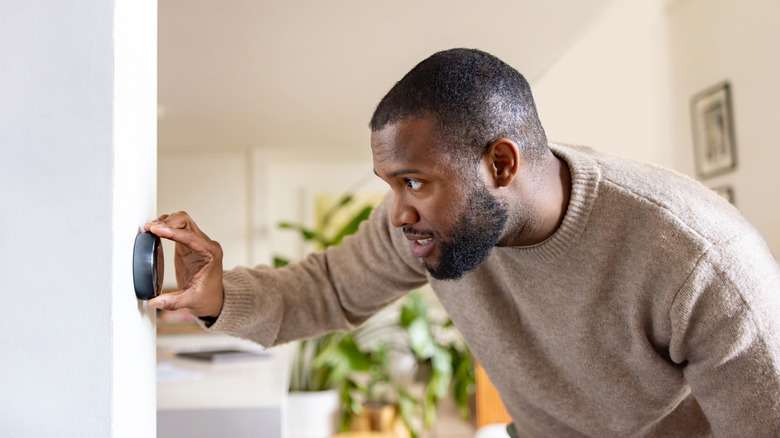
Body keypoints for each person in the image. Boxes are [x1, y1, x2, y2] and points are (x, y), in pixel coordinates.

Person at [145, 48, 780, 437]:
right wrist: (218, 292)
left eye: (414, 181)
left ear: (501, 164)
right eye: (391, 184)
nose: (398, 213)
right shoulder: (427, 227)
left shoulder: (702, 262)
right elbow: (327, 289)